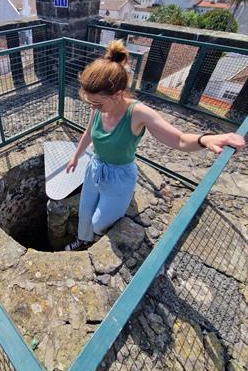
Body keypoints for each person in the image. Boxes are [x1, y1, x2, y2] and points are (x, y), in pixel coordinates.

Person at [64, 40, 245, 251]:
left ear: (117, 94)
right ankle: (83, 240)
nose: (93, 108)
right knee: (84, 213)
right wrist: (76, 156)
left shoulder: (138, 114)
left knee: (98, 222)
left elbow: (178, 139)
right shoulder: (100, 105)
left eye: (97, 104)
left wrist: (205, 139)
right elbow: (89, 133)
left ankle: (95, 235)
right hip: (95, 168)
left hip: (120, 176)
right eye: (91, 104)